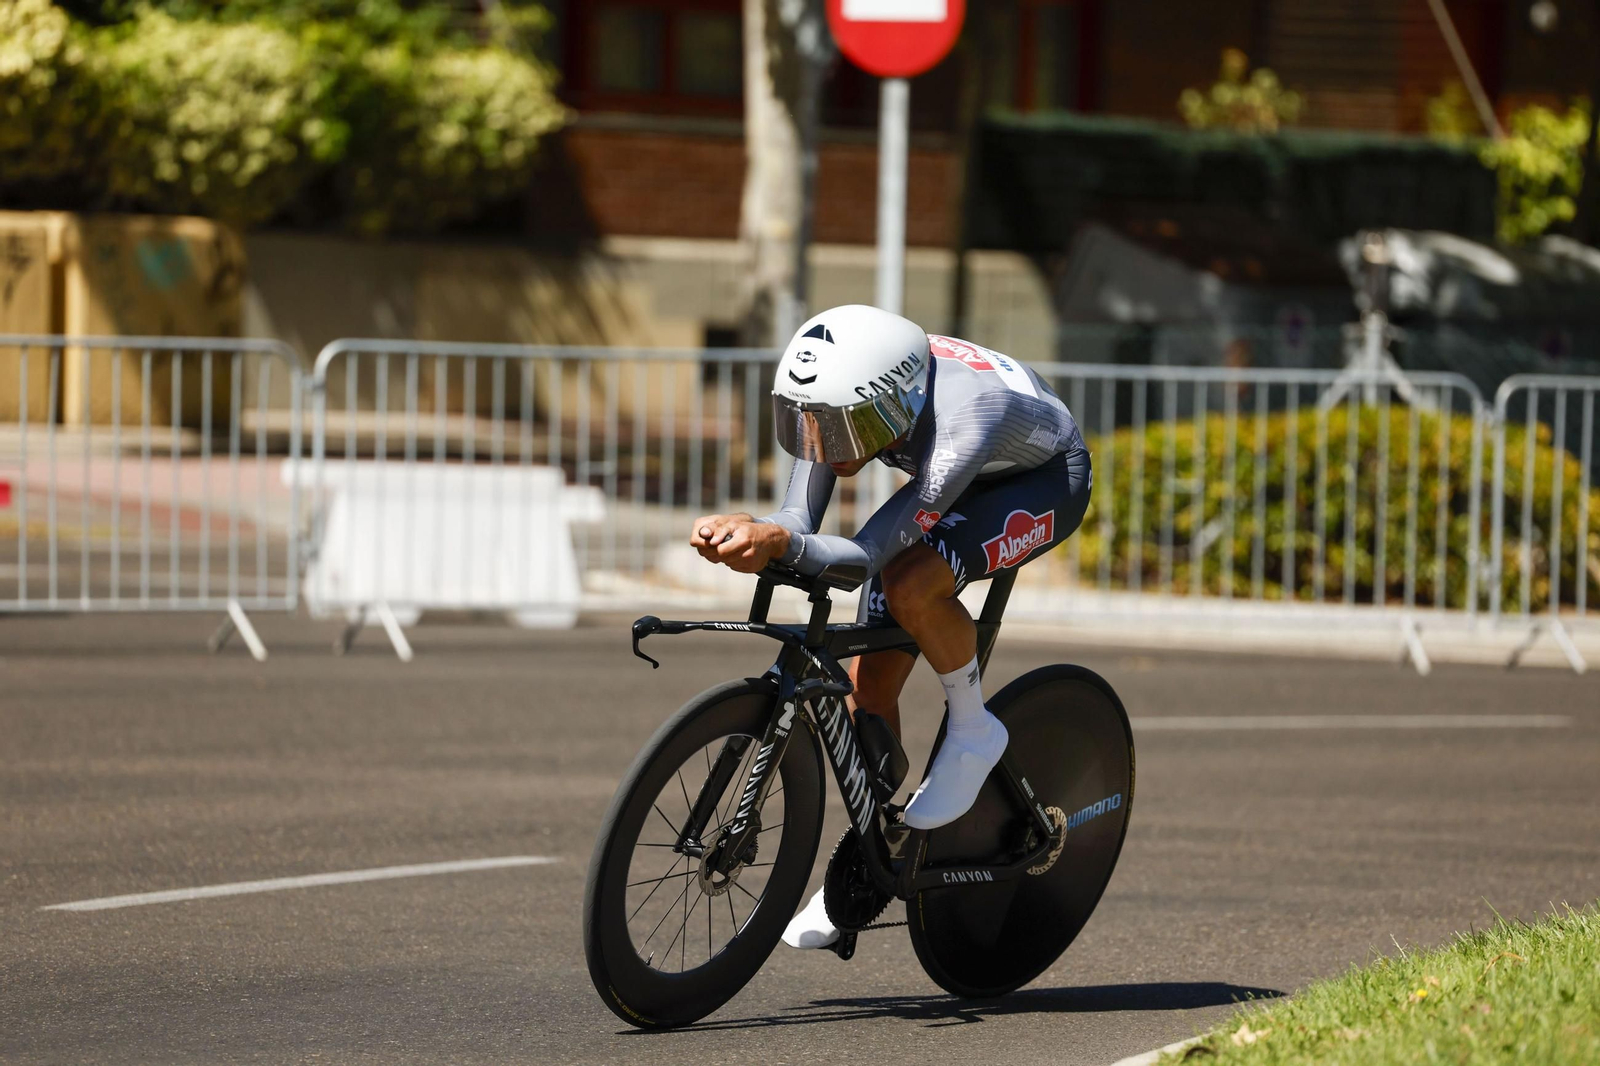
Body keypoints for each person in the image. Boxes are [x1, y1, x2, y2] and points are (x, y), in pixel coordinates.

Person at [689, 304, 1092, 949]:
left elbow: (865, 558)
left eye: (837, 430)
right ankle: (877, 850)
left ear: (893, 407)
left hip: (1039, 480)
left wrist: (777, 544)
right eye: (804, 422)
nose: (820, 442)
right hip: (955, 468)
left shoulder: (964, 415)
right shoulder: (844, 399)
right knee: (865, 693)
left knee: (908, 582)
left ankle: (972, 725)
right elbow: (798, 520)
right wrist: (756, 527)